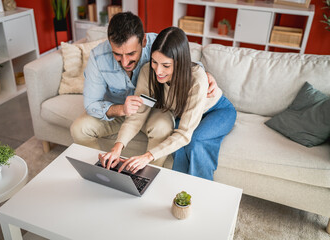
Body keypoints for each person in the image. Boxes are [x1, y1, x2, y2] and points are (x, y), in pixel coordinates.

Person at [70, 12, 217, 167]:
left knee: (163, 127)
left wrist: (203, 73)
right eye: (117, 54)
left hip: (153, 109)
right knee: (78, 128)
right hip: (118, 109)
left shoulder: (157, 45)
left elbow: (181, 60)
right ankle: (100, 170)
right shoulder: (98, 57)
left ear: (144, 41)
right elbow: (92, 104)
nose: (125, 62)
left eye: (131, 53)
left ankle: (147, 176)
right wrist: (121, 110)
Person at [100, 27, 237, 181]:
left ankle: (201, 193)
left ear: (180, 63)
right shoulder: (147, 72)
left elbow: (185, 134)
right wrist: (117, 148)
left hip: (216, 110)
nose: (158, 71)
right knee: (176, 147)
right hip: (183, 113)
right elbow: (137, 115)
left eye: (166, 65)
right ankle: (178, 189)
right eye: (154, 62)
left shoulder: (197, 79)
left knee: (196, 142)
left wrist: (147, 157)